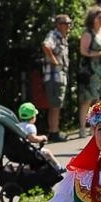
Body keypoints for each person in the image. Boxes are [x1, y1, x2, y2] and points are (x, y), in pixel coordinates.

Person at [77, 6, 101, 138]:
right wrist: (99, 53)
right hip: (90, 70)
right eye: (99, 17)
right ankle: (82, 127)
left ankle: (97, 127)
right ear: (93, 18)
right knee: (87, 98)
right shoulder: (88, 33)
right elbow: (83, 51)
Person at [40, 14, 71, 142]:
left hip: (60, 76)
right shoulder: (53, 35)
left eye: (70, 23)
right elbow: (46, 45)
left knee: (57, 104)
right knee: (55, 105)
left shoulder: (63, 37)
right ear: (58, 25)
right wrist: (54, 61)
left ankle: (55, 130)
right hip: (54, 76)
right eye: (66, 23)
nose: (69, 25)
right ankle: (54, 132)